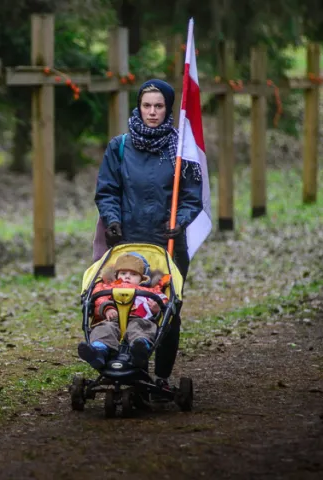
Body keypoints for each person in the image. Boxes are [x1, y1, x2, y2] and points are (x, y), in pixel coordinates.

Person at [94, 79, 204, 391]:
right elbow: (107, 190)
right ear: (138, 107)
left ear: (168, 109)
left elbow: (193, 196)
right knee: (121, 300)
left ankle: (162, 376)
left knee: (166, 310)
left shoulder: (180, 150)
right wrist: (112, 220)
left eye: (158, 106)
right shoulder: (120, 146)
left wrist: (180, 220)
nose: (152, 112)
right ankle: (123, 366)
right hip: (127, 243)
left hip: (168, 243)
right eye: (146, 106)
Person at [77, 253, 169, 371]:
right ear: (116, 275)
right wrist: (107, 308)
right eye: (123, 273)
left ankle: (139, 350)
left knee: (140, 327)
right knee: (104, 328)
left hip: (138, 319)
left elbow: (164, 301)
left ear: (143, 278)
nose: (127, 277)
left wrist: (157, 308)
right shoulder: (107, 287)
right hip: (113, 319)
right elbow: (99, 299)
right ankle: (98, 352)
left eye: (134, 274)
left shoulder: (150, 290)